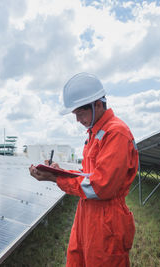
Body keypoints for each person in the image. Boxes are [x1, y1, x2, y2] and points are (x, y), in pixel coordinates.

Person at [29, 72, 139, 267]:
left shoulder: (116, 133)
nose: (78, 120)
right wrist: (58, 171)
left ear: (97, 104)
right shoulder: (95, 133)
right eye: (75, 115)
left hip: (107, 221)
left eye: (80, 113)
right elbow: (89, 175)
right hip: (87, 214)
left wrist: (56, 179)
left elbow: (99, 187)